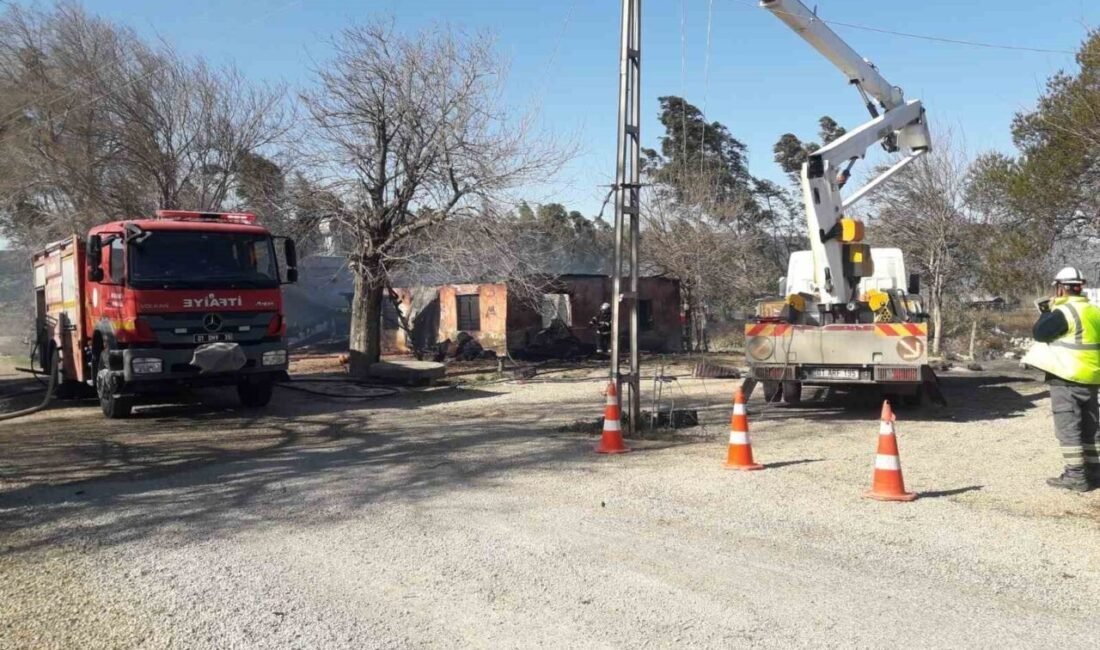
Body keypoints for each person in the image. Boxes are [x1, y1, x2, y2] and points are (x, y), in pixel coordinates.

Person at [1023, 267, 1100, 492]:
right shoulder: (1094, 311)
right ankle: (1095, 471)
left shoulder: (1064, 312)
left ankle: (1076, 476)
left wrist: (1046, 311)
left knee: (1068, 427)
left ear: (1060, 288)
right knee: (1091, 426)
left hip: (1067, 377)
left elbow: (1040, 333)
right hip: (1092, 377)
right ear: (1080, 287)